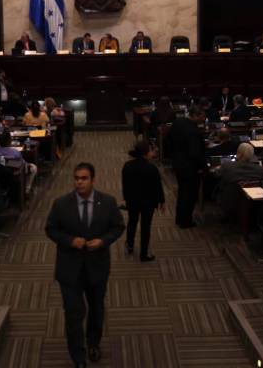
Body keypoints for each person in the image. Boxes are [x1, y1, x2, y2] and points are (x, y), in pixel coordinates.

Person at [45, 162, 124, 368]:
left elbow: (117, 227)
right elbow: (51, 229)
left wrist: (103, 241)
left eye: (84, 178)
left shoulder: (107, 202)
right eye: (76, 178)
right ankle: (78, 356)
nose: (79, 182)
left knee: (96, 309)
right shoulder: (61, 204)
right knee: (73, 313)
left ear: (93, 180)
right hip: (69, 269)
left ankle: (94, 343)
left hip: (97, 267)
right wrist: (70, 241)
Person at [122, 141, 164, 261]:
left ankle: (130, 246)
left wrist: (126, 198)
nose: (153, 152)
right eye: (151, 150)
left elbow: (125, 184)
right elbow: (157, 187)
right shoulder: (152, 168)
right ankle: (144, 254)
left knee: (132, 222)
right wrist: (161, 201)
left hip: (132, 201)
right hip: (148, 203)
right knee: (146, 226)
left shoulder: (127, 165)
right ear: (146, 153)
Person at [167, 105, 206, 228]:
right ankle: (186, 221)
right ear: (194, 116)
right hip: (190, 168)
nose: (204, 119)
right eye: (202, 116)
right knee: (189, 195)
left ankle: (180, 218)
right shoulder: (193, 132)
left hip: (178, 163)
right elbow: (195, 153)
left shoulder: (178, 122)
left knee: (182, 192)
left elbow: (168, 140)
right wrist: (202, 167)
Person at [218, 143, 263, 219]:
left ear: (238, 153)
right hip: (252, 203)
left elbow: (217, 175)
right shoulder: (260, 169)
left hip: (230, 201)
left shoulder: (227, 166)